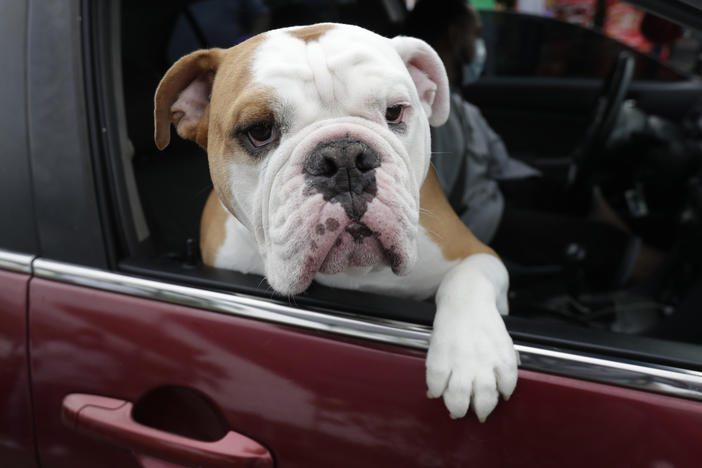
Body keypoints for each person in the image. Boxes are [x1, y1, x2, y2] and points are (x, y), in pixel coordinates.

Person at [405, 0, 662, 290]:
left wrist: (556, 183)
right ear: (454, 35)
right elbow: (434, 211)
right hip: (478, 225)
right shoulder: (422, 114)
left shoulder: (457, 104)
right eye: (475, 33)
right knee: (605, 247)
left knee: (580, 198)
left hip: (490, 197)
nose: (480, 45)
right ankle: (659, 284)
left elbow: (498, 163)